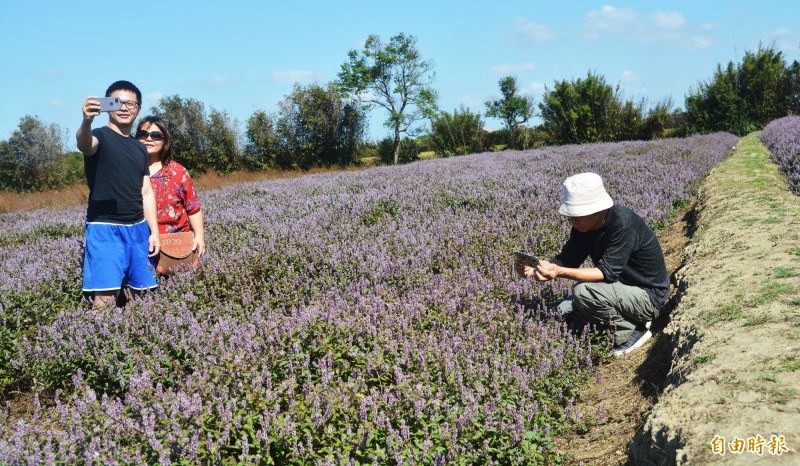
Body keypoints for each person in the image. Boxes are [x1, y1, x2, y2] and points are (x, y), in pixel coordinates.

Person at [516, 172, 670, 357]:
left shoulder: (623, 224)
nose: (573, 220)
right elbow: (568, 257)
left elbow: (606, 273)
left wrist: (559, 272)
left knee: (583, 292)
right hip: (619, 288)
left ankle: (632, 330)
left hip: (648, 295)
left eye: (578, 214)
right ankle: (616, 315)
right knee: (557, 310)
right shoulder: (583, 227)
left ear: (598, 209)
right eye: (570, 215)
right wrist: (540, 267)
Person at [77, 80, 160, 308]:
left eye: (130, 104)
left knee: (145, 297)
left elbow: (146, 192)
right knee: (104, 299)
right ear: (106, 106)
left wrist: (154, 232)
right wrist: (86, 120)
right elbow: (85, 145)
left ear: (138, 109)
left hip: (138, 229)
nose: (124, 108)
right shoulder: (99, 135)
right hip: (105, 228)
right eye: (117, 102)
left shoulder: (140, 147)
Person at [135, 116, 206, 259]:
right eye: (143, 135)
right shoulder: (128, 170)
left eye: (156, 135)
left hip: (175, 246)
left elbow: (193, 207)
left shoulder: (178, 172)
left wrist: (199, 236)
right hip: (139, 244)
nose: (149, 139)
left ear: (165, 140)